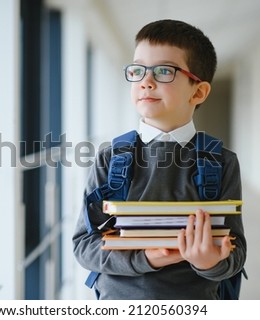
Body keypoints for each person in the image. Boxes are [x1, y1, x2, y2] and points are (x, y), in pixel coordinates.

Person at [72, 19, 246, 299]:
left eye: (164, 71)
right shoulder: (110, 159)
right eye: (138, 70)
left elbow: (236, 252)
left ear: (198, 91)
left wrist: (210, 262)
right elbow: (84, 245)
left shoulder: (221, 162)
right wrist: (146, 258)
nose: (146, 82)